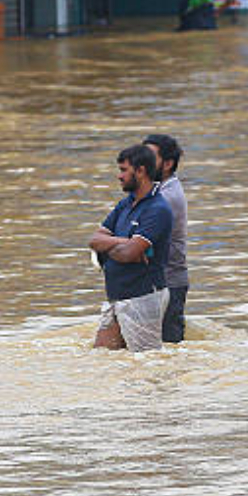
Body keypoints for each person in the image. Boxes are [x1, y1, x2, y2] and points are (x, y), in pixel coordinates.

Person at [88, 145, 173, 352]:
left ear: (141, 171)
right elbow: (94, 240)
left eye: (124, 170)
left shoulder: (157, 209)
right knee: (101, 356)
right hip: (117, 296)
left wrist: (118, 246)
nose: (119, 176)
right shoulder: (125, 204)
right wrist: (124, 241)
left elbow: (128, 255)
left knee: (147, 365)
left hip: (142, 297)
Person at [143, 134, 188, 343]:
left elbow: (136, 242)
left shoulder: (166, 197)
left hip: (167, 285)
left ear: (168, 164)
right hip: (153, 285)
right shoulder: (153, 191)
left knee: (165, 352)